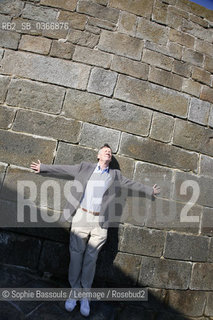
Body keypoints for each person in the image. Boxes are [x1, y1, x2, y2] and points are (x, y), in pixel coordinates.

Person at [30, 144, 160, 317]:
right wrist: (43, 168)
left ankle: (85, 295)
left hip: (101, 222)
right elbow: (64, 169)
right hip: (81, 217)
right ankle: (74, 291)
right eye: (105, 151)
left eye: (110, 152)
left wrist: (149, 190)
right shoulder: (85, 167)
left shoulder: (116, 175)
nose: (108, 153)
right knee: (76, 256)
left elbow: (132, 184)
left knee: (91, 259)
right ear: (98, 155)